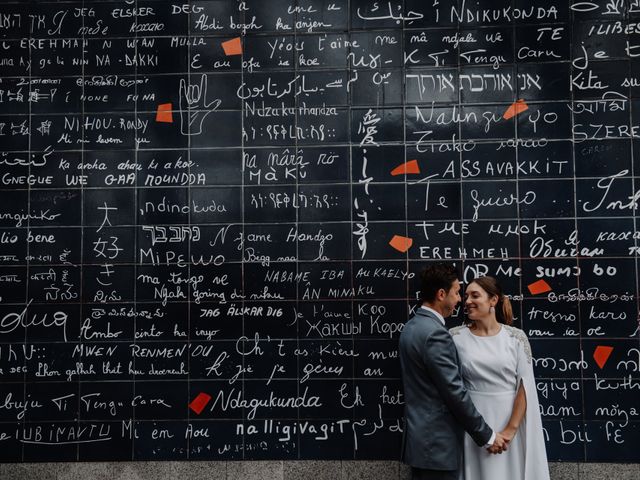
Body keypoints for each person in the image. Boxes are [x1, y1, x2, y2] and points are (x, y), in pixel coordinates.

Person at [399, 264, 508, 480]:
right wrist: (486, 436)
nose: (460, 300)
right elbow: (454, 392)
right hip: (438, 446)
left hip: (422, 444)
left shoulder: (412, 327)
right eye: (457, 292)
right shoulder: (435, 335)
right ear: (441, 294)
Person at [450, 276, 550, 480]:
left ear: (493, 300)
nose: (467, 301)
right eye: (466, 295)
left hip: (509, 421)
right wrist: (483, 434)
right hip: (473, 424)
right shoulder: (455, 337)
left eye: (475, 295)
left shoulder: (516, 338)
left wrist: (509, 432)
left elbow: (525, 387)